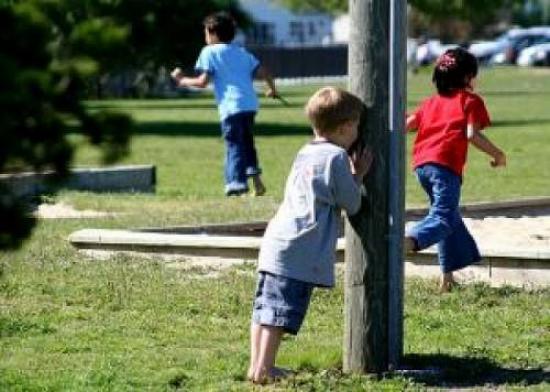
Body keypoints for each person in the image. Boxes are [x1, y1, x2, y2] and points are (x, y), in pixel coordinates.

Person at [248, 87, 373, 384]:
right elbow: (351, 203)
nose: (358, 131)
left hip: (277, 239)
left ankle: (256, 366)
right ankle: (265, 369)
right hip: (299, 245)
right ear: (345, 128)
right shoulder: (337, 158)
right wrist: (359, 175)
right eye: (356, 125)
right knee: (278, 312)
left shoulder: (306, 151)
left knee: (264, 308)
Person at [404, 48, 507, 292]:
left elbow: (406, 125)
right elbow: (472, 134)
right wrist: (498, 154)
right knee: (442, 217)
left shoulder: (430, 103)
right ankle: (407, 242)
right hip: (445, 166)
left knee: (449, 218)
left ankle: (447, 278)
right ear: (467, 78)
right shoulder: (470, 101)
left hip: (421, 167)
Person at [170, 12, 278, 196]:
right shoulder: (242, 52)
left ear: (212, 34)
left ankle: (236, 184)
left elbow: (202, 82)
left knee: (234, 144)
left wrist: (181, 80)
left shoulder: (209, 52)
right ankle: (257, 183)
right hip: (249, 105)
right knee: (247, 143)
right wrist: (272, 90)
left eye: (205, 33)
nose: (205, 37)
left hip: (231, 107)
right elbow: (265, 72)